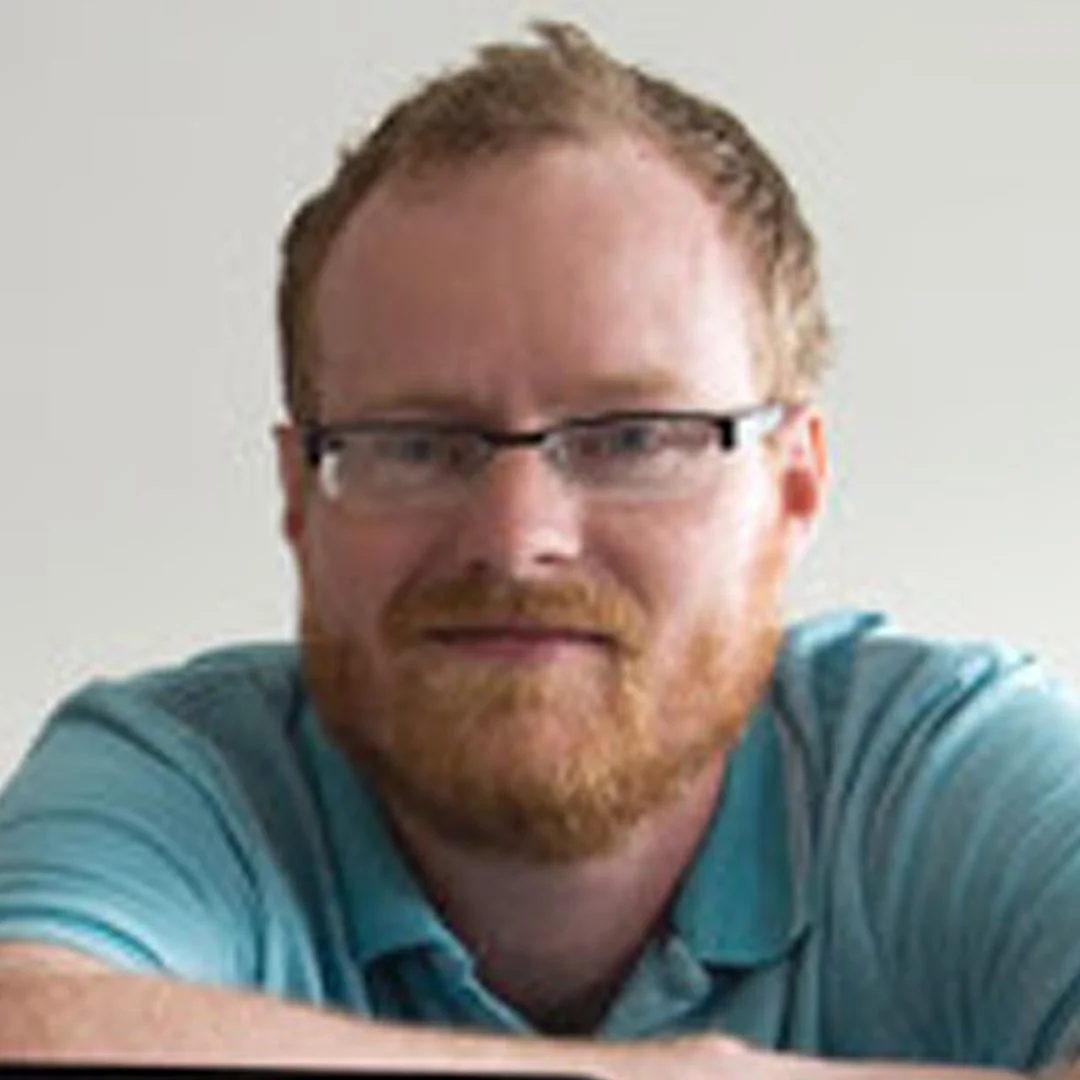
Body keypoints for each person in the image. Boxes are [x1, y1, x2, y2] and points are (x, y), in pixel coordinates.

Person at [1, 20, 1078, 1079]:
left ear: (791, 486)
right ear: (300, 494)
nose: (517, 541)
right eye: (416, 446)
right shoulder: (182, 778)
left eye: (634, 439)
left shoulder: (943, 773)